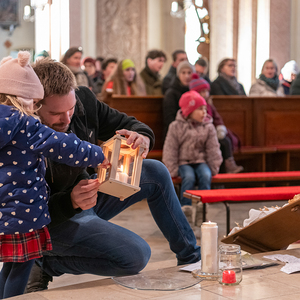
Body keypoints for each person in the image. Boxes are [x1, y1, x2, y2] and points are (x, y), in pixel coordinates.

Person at [25, 58, 201, 292]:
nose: (67, 120)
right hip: (51, 219)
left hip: (87, 196)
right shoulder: (23, 131)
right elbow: (28, 213)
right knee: (135, 256)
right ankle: (46, 261)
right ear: (35, 105)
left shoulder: (84, 99)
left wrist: (142, 137)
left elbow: (128, 123)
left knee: (155, 171)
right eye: (57, 114)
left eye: (71, 109)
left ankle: (191, 260)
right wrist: (71, 202)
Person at [0, 51, 108, 299]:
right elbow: (63, 146)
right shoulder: (25, 124)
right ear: (26, 97)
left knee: (9, 267)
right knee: (21, 269)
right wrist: (98, 154)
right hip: (23, 213)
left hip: (4, 212)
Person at [163, 91, 222, 223]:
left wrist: (214, 166)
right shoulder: (176, 126)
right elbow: (170, 149)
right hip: (184, 162)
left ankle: (202, 210)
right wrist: (171, 169)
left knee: (206, 175)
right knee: (188, 177)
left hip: (201, 161)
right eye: (200, 109)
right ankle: (185, 211)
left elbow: (213, 148)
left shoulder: (208, 127)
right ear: (189, 111)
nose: (204, 112)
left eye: (205, 109)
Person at [189, 76, 243, 173]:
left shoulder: (209, 104)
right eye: (202, 92)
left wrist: (220, 128)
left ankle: (229, 164)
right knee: (219, 145)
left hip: (212, 131)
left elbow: (217, 118)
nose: (205, 94)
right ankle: (222, 169)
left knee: (225, 141)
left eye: (206, 91)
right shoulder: (193, 107)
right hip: (202, 133)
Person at [163, 61, 193, 138]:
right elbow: (169, 117)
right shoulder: (171, 93)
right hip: (176, 132)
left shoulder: (195, 91)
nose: (187, 76)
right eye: (183, 73)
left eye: (189, 73)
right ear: (178, 74)